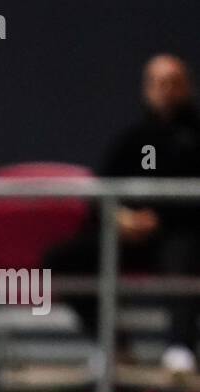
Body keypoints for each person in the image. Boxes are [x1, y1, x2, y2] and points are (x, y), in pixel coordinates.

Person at [46, 54, 200, 372]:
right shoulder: (133, 139)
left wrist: (163, 219)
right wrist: (119, 218)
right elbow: (101, 194)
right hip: (132, 238)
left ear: (188, 87)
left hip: (182, 236)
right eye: (158, 83)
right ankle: (114, 347)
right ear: (147, 89)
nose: (165, 90)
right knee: (65, 258)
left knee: (183, 254)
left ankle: (181, 348)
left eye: (173, 82)